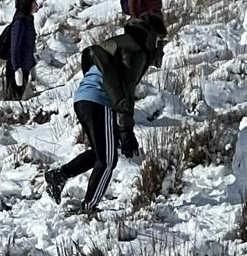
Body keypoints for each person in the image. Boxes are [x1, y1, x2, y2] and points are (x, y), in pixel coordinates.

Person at [43, 14, 167, 215]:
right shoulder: (135, 51)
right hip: (99, 99)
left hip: (84, 97)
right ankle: (89, 208)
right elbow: (124, 90)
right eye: (159, 40)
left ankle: (59, 175)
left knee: (101, 151)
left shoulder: (121, 42)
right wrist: (126, 130)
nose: (159, 47)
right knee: (108, 160)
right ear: (151, 35)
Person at [2, 0, 38, 101]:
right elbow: (15, 47)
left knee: (18, 97)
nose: (37, 4)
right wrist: (17, 69)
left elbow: (28, 45)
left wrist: (31, 64)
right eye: (34, 2)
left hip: (24, 65)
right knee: (13, 99)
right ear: (28, 5)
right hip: (17, 67)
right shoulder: (20, 21)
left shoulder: (27, 19)